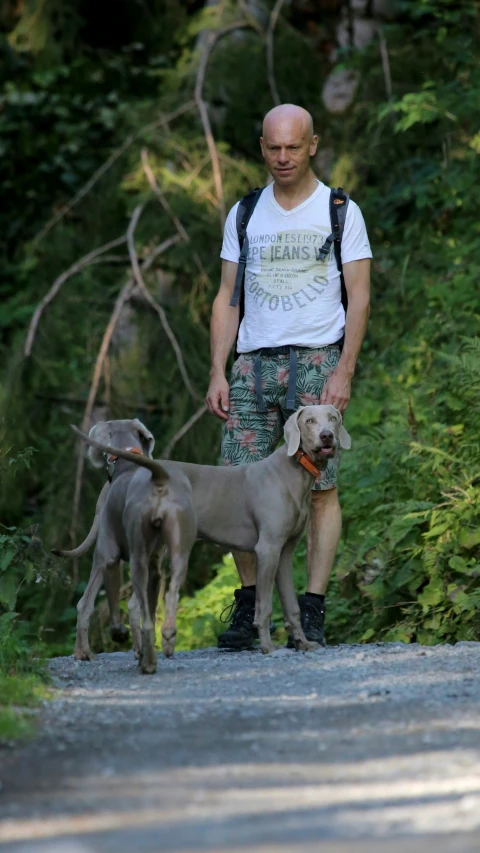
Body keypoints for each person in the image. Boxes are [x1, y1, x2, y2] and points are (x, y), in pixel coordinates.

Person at [205, 103, 371, 650]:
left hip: (318, 360)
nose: (282, 157)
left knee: (320, 490)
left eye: (292, 147)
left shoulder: (340, 210)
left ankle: (313, 610)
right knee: (238, 485)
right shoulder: (246, 213)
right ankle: (251, 609)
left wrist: (344, 369)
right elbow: (227, 298)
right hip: (252, 365)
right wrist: (218, 370)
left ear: (312, 145)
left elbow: (361, 294)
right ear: (262, 147)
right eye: (273, 147)